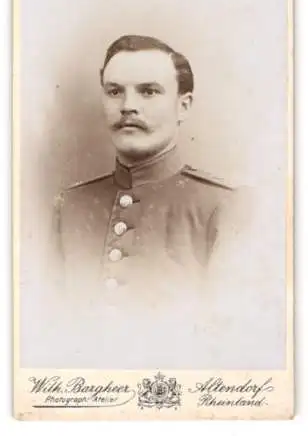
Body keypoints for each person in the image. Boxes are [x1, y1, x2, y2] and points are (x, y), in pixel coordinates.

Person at [46, 34, 257, 368]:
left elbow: (231, 344)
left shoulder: (226, 207)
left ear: (183, 105)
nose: (128, 105)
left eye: (148, 91)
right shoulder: (70, 207)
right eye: (114, 91)